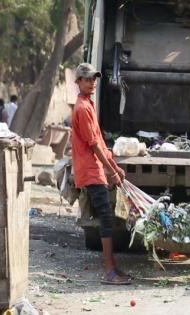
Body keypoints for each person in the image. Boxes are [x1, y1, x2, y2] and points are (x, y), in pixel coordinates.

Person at [72, 63, 131, 285]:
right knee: (106, 217)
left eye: (94, 79)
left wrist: (112, 163)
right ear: (78, 81)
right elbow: (94, 145)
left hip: (95, 167)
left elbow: (99, 140)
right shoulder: (82, 108)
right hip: (90, 169)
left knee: (107, 217)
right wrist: (113, 169)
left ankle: (113, 267)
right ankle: (109, 271)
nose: (92, 82)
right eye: (87, 79)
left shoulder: (88, 104)